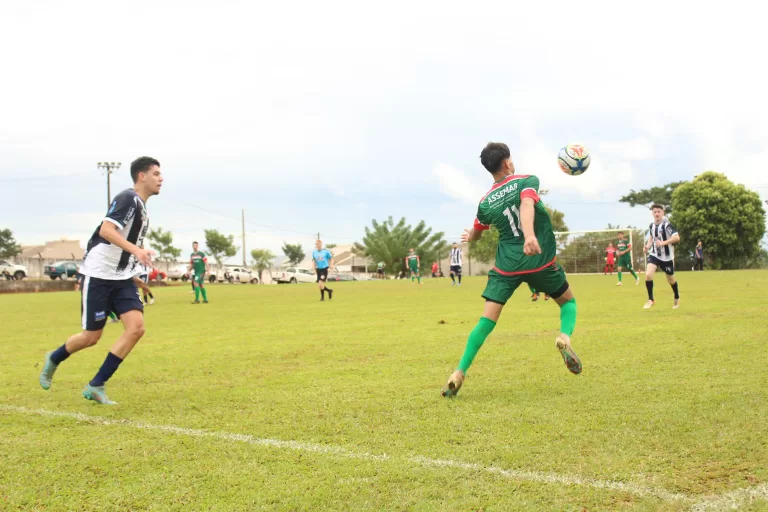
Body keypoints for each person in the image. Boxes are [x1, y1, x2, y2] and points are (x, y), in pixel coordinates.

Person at [442, 143, 581, 397]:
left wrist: (470, 236)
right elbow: (526, 204)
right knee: (568, 302)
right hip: (538, 259)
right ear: (507, 162)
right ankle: (564, 337)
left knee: (486, 321)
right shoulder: (527, 181)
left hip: (507, 266)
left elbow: (476, 232)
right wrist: (529, 236)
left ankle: (459, 372)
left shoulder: (485, 202)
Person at [39, 156, 162, 405]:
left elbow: (126, 244)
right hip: (98, 276)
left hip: (122, 278)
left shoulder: (142, 208)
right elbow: (106, 230)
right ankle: (54, 357)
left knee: (136, 328)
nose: (161, 179)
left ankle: (96, 385)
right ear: (142, 176)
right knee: (91, 337)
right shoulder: (128, 198)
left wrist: (137, 265)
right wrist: (137, 250)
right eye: (156, 174)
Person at [643, 204, 681, 309]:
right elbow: (652, 237)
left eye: (659, 212)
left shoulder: (667, 225)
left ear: (663, 212)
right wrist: (647, 247)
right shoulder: (651, 226)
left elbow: (677, 237)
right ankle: (651, 299)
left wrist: (663, 243)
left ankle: (676, 296)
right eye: (655, 212)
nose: (657, 214)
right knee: (648, 275)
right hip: (655, 254)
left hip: (667, 258)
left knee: (671, 280)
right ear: (652, 213)